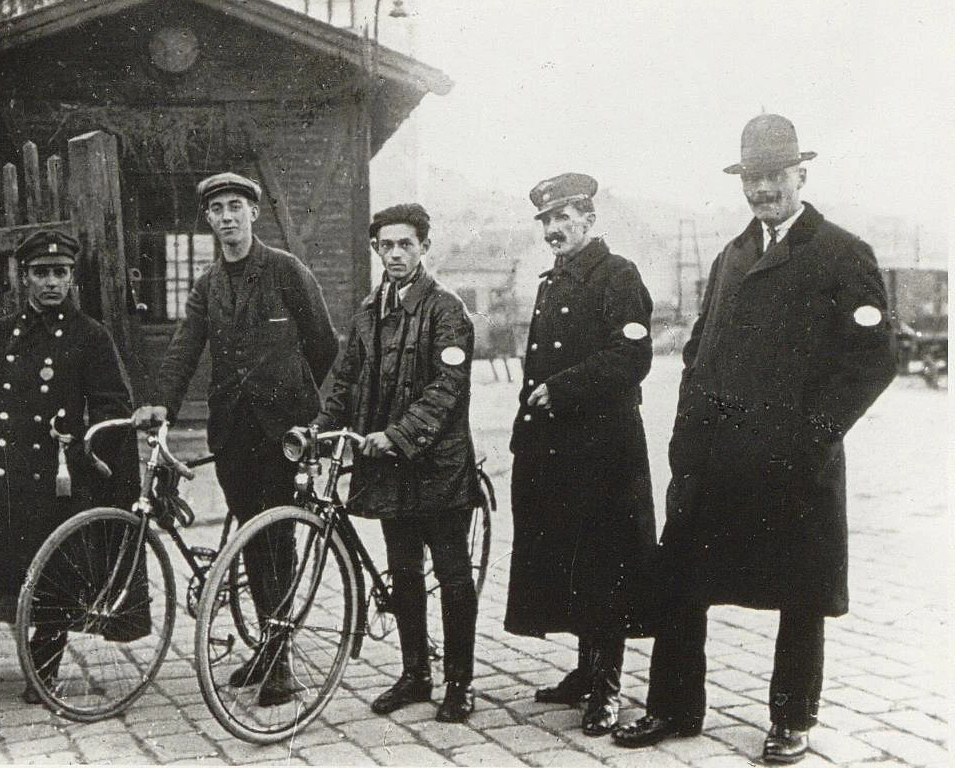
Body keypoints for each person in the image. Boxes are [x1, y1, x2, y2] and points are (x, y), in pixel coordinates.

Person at [612, 114, 896, 764]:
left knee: (801, 593)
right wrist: (686, 442)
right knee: (684, 577)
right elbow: (699, 354)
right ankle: (674, 707)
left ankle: (791, 719)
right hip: (717, 460)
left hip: (795, 463)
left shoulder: (842, 252)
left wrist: (814, 434)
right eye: (753, 178)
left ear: (801, 173)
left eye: (775, 176)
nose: (763, 190)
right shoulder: (731, 257)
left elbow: (873, 357)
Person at [132, 172, 337, 700]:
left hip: (280, 433)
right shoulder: (208, 284)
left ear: (254, 213)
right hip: (233, 432)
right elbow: (184, 347)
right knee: (249, 534)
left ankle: (281, 659)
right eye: (217, 209)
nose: (226, 217)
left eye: (235, 207)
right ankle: (266, 650)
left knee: (276, 536)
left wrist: (295, 402)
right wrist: (163, 405)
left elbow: (323, 343)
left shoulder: (287, 271)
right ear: (209, 219)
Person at [0, 229, 138, 705]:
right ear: (25, 278)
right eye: (41, 273)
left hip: (52, 482)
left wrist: (80, 446)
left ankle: (42, 673)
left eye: (60, 273)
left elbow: (114, 410)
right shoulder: (1, 333)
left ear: (72, 278)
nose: (51, 283)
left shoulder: (90, 337)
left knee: (52, 576)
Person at [312, 203, 480, 723]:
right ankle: (414, 675)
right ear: (377, 251)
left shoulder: (448, 310)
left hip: (438, 467)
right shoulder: (368, 312)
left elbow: (446, 388)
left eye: (406, 244)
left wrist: (398, 435)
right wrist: (319, 430)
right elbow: (345, 380)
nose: (395, 254)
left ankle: (459, 683)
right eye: (386, 246)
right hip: (385, 466)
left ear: (424, 247)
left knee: (452, 575)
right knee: (403, 571)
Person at [504, 173, 657, 736]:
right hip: (554, 447)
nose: (552, 230)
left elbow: (631, 356)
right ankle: (585, 669)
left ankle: (609, 686)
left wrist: (564, 388)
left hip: (603, 449)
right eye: (545, 220)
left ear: (589, 221)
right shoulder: (553, 282)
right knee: (571, 558)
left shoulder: (618, 276)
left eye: (562, 218)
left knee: (606, 562)